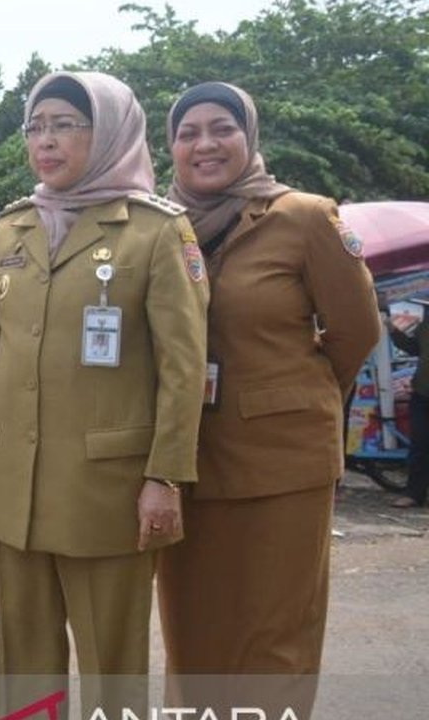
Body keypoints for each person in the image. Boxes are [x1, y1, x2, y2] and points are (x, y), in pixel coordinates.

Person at [0, 71, 209, 717]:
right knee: (24, 655)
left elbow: (184, 366)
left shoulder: (154, 231)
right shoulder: (11, 228)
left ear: (111, 130)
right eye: (36, 126)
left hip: (109, 490)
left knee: (111, 660)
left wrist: (165, 477)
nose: (47, 140)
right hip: (17, 485)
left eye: (65, 123)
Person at [156, 82, 381, 717]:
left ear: (249, 136)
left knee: (275, 638)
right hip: (185, 461)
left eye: (221, 127)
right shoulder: (159, 225)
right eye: (187, 131)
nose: (204, 143)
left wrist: (292, 399)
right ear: (170, 146)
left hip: (283, 465)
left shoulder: (305, 216)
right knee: (192, 636)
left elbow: (356, 332)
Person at [386, 306, 428, 508]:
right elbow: (414, 348)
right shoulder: (426, 324)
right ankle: (414, 493)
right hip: (422, 393)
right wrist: (394, 332)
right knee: (419, 444)